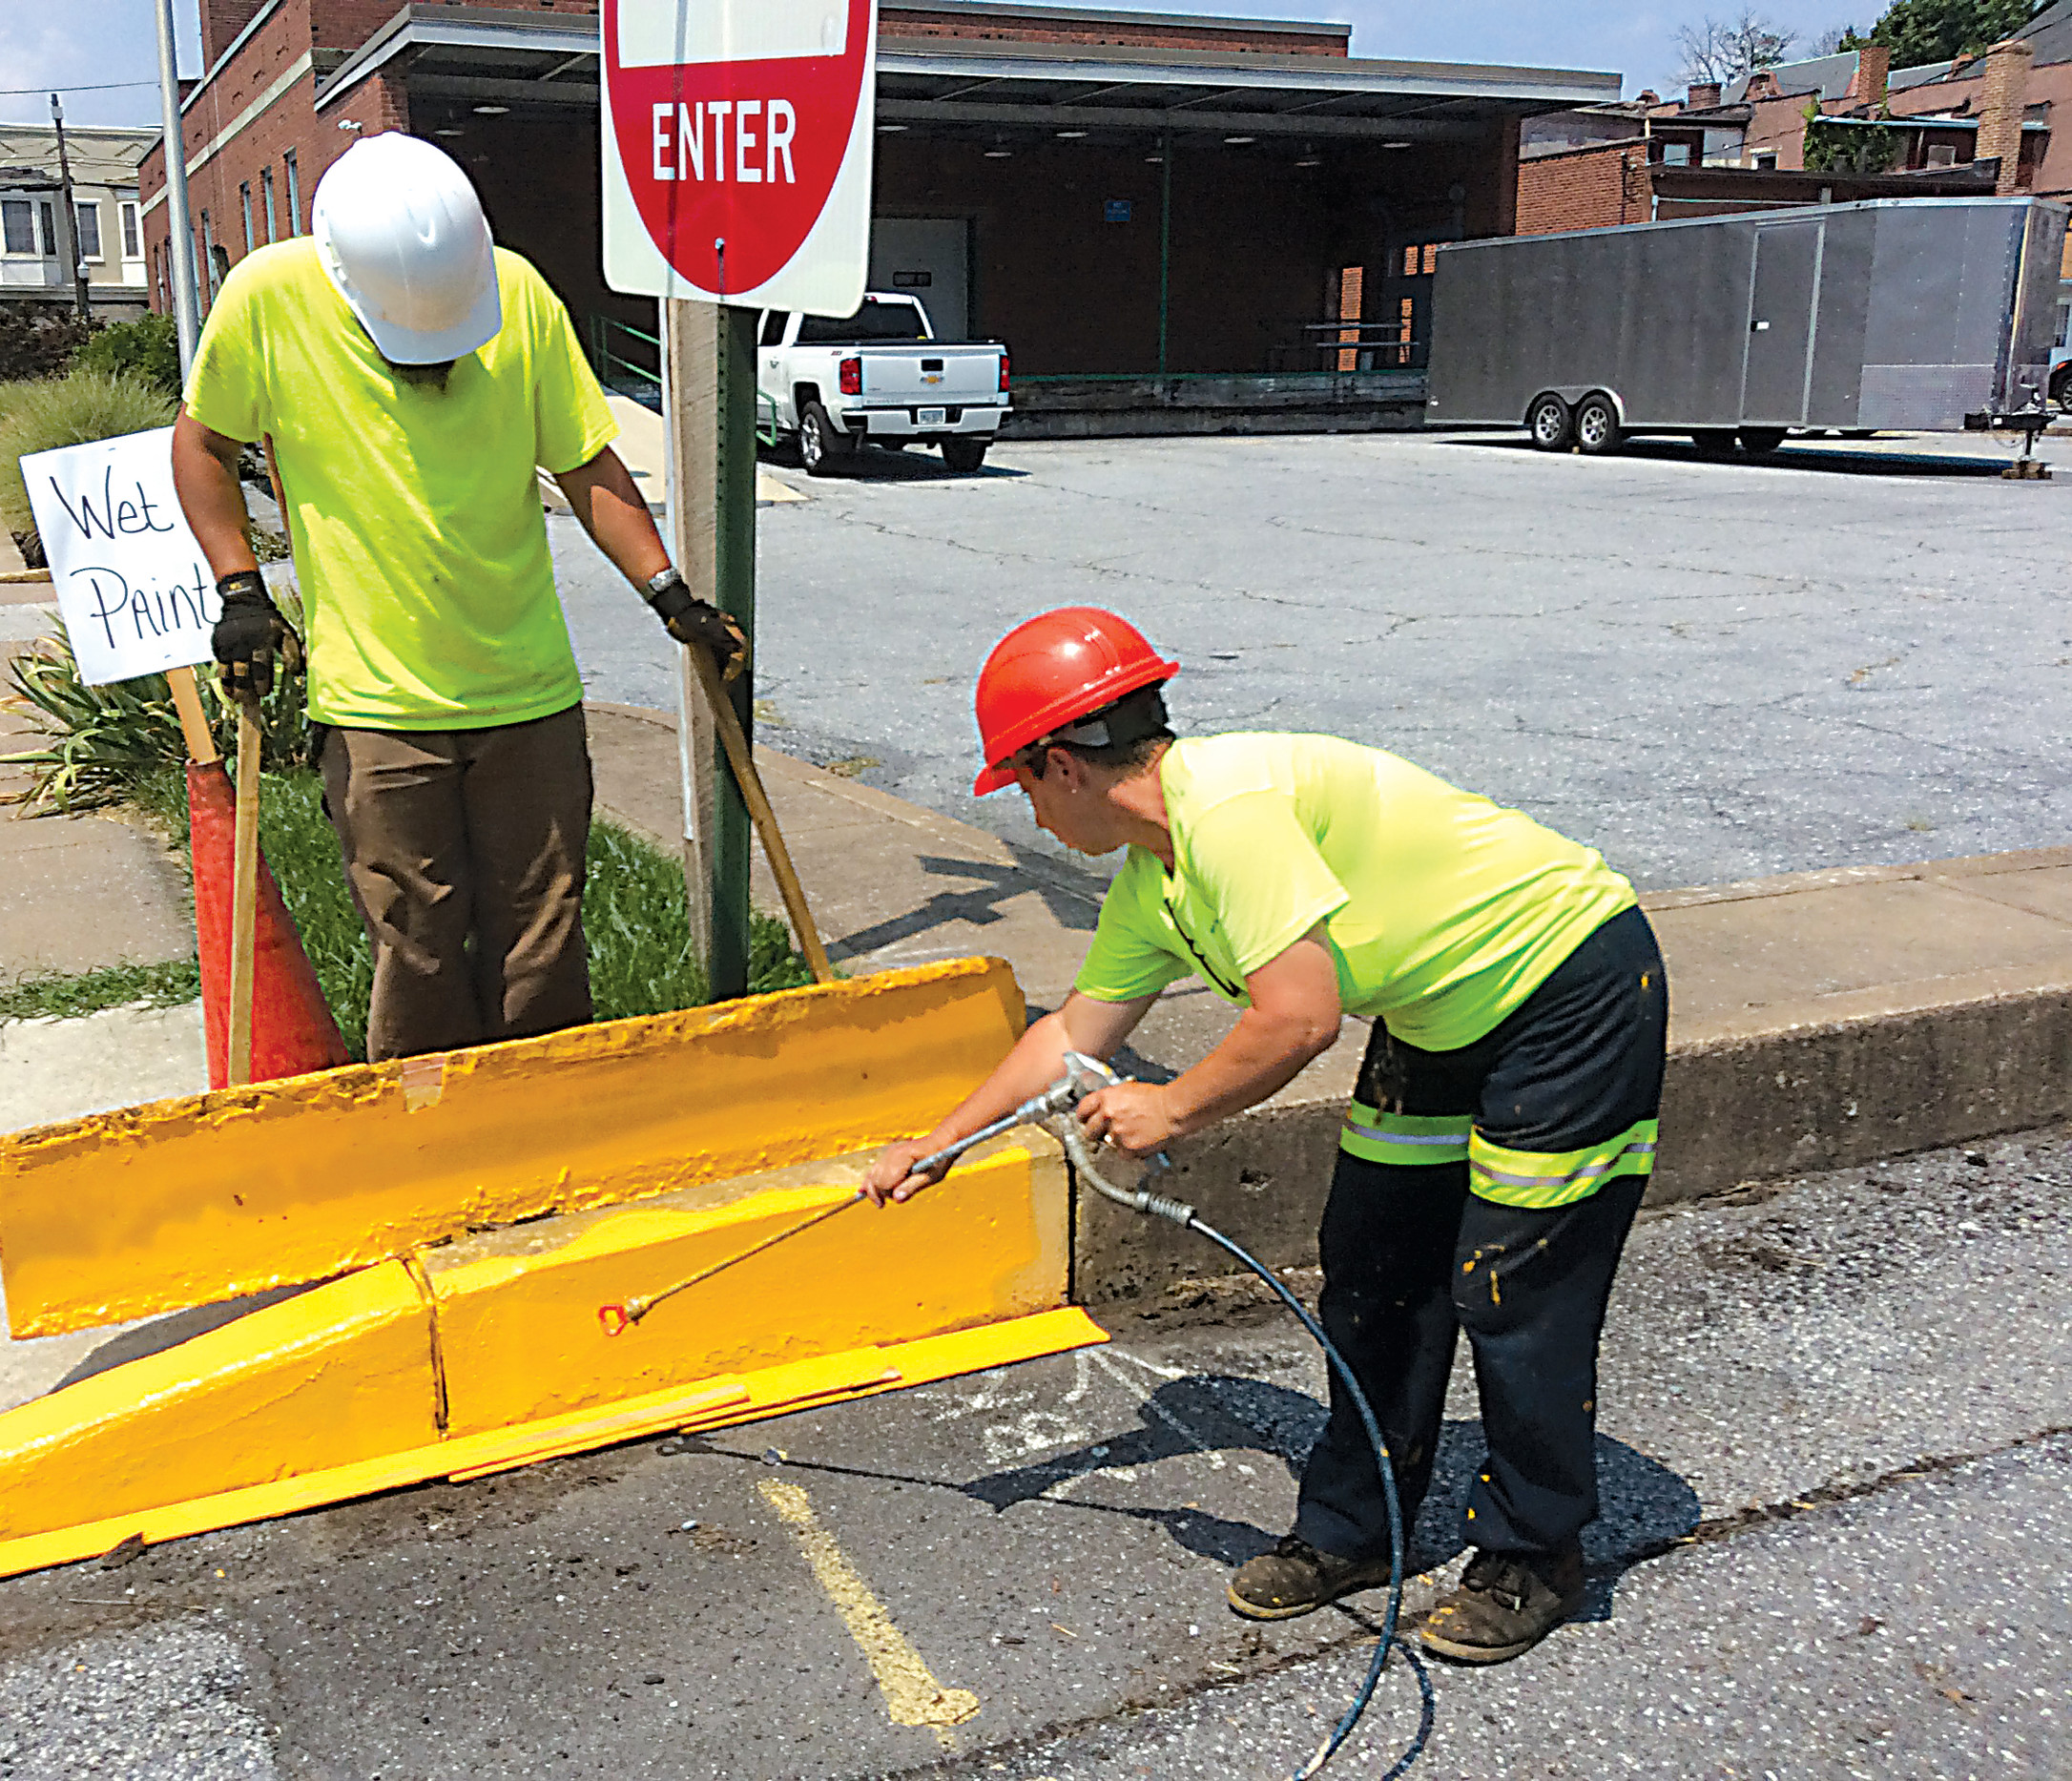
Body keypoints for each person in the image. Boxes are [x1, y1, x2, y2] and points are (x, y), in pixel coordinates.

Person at [863, 607, 1668, 1666]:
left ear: (1059, 764)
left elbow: (1296, 1017)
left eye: (1018, 785)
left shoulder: (1229, 811)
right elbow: (1070, 1034)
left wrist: (1170, 1106)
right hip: (1439, 1011)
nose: (1029, 816)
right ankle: (1356, 1527)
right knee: (1372, 1258)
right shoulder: (1156, 881)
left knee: (1514, 1281)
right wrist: (938, 1144)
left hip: (1568, 981)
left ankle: (1532, 1551)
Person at [173, 132, 742, 1061]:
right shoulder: (268, 301)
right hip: (378, 703)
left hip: (528, 689)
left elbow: (584, 458)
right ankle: (428, 1147)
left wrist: (669, 592)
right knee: (418, 943)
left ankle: (546, 1132)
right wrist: (240, 586)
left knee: (542, 933)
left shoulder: (516, 292)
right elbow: (202, 442)